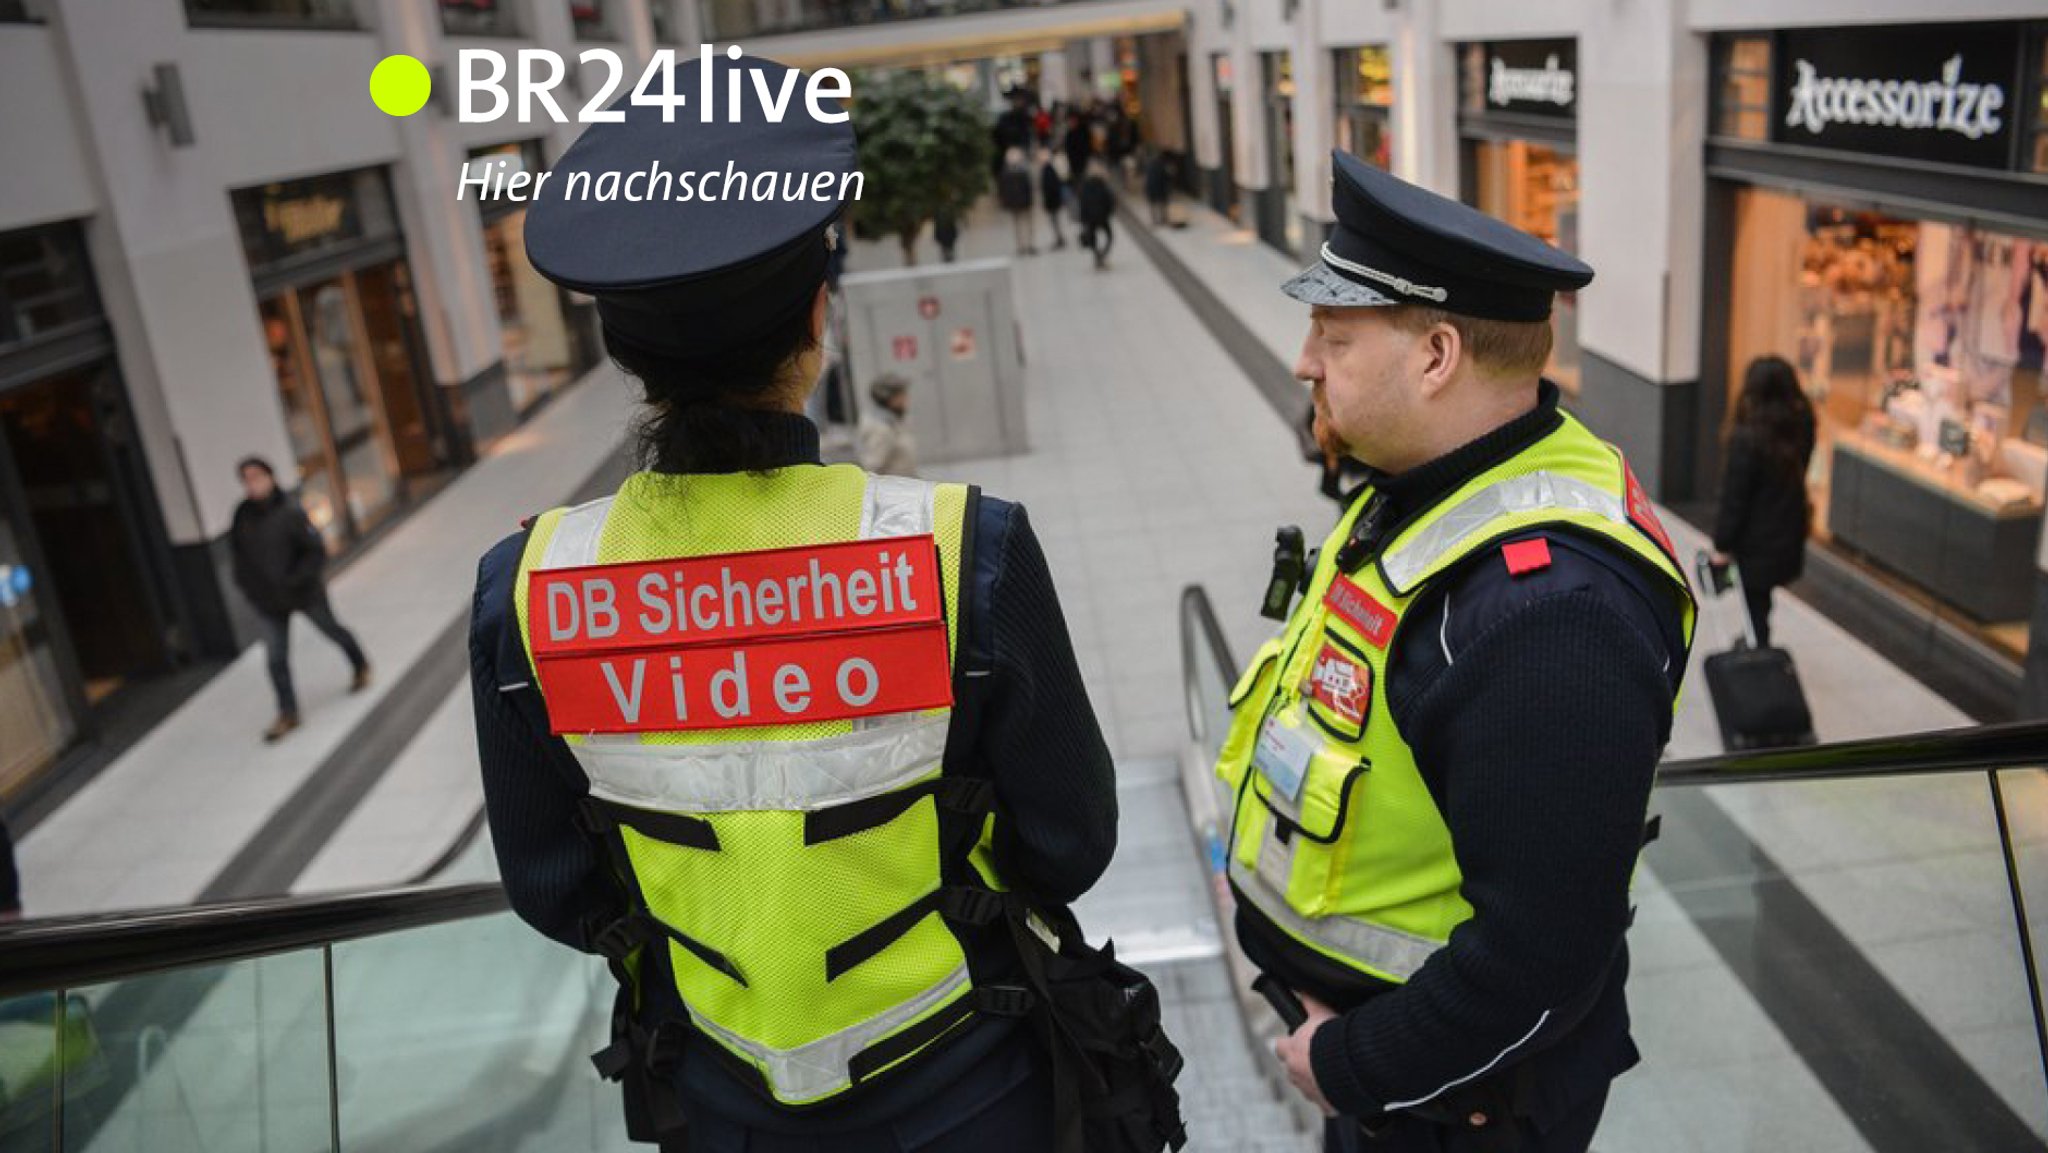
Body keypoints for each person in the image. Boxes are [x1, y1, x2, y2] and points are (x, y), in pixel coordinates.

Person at [475, 54, 1128, 1152]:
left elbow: (552, 883)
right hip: (974, 1078)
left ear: (624, 351)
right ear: (817, 316)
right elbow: (1068, 839)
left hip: (720, 1098)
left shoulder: (528, 583)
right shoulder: (965, 546)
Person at [1220, 151, 1695, 1153]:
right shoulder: (1423, 483)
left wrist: (1348, 1066)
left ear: (1436, 355)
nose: (1304, 360)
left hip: (1455, 1112)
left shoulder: (1549, 618)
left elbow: (1539, 959)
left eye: (1333, 335)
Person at [230, 457, 370, 742]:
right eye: (247, 479)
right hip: (269, 603)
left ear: (270, 477)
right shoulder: (242, 516)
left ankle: (360, 664)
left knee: (332, 630)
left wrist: (295, 580)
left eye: (257, 476)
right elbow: (239, 559)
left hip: (304, 593)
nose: (252, 484)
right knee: (275, 658)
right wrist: (250, 590)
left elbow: (315, 551)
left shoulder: (290, 511)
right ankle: (288, 712)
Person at [1711, 355, 1816, 648]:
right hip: (1789, 526)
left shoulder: (1747, 438)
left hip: (1755, 539)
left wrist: (1722, 545)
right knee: (1761, 596)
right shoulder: (1802, 423)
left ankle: (1758, 652)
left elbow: (1735, 499)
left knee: (1754, 601)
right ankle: (1757, 638)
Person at [859, 374, 918, 477]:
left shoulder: (894, 422)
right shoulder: (881, 429)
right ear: (889, 399)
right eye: (902, 394)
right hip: (895, 490)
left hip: (906, 486)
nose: (906, 398)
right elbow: (872, 469)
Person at [997, 148, 1037, 256]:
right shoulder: (1009, 173)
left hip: (1021, 203)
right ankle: (1024, 245)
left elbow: (1028, 188)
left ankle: (1026, 245)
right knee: (1020, 225)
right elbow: (1004, 190)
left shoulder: (1014, 172)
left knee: (1023, 224)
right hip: (1019, 203)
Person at [1078, 160, 1116, 271]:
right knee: (1108, 236)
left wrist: (1083, 217)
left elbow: (1083, 202)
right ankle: (1100, 256)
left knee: (1094, 237)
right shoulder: (1101, 183)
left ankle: (1098, 257)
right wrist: (1109, 212)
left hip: (1091, 217)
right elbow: (1108, 200)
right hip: (1101, 216)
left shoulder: (1086, 185)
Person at [1038, 152, 1068, 251]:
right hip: (1053, 201)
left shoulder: (1048, 170)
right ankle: (1059, 238)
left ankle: (1060, 239)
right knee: (1055, 221)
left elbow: (1050, 188)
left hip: (1052, 202)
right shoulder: (1048, 169)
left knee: (1055, 221)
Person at [1143, 151, 1172, 227]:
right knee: (1162, 205)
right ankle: (1163, 219)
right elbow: (1167, 177)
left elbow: (1147, 179)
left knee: (1153, 205)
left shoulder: (1149, 166)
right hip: (1160, 189)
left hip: (1151, 189)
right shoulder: (1162, 166)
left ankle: (1155, 221)